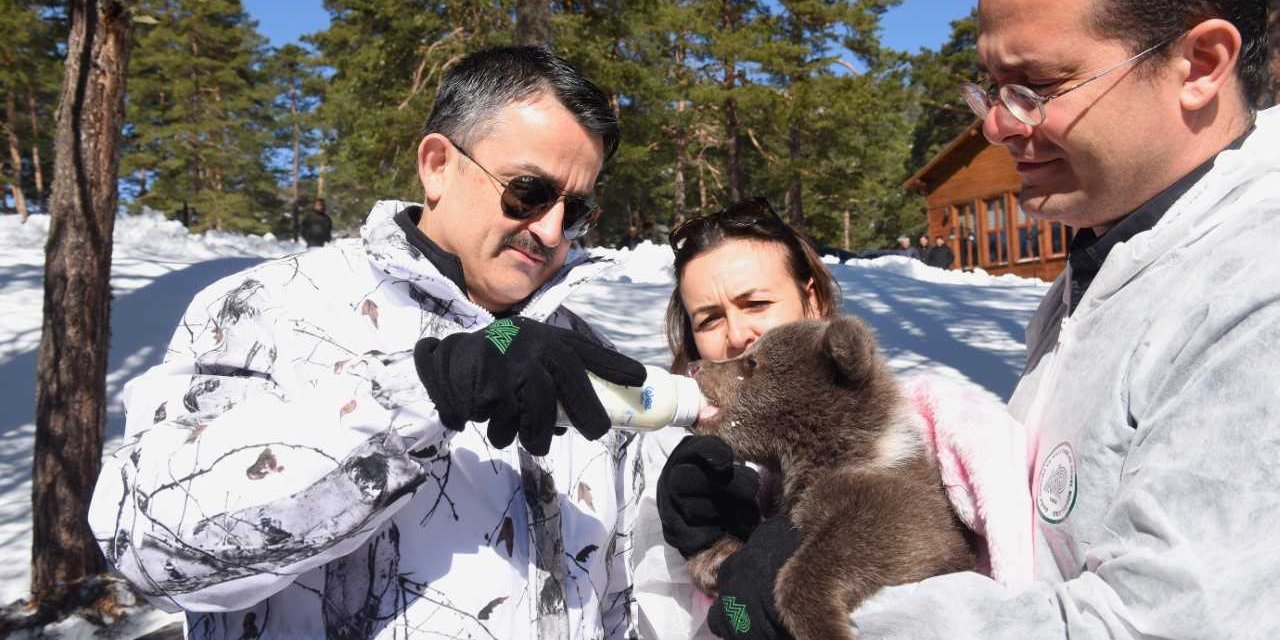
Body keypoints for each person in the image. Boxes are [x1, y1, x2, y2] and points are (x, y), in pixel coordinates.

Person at [662, 1, 1280, 638]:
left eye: (1036, 87)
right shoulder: (1107, 269)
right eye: (988, 90)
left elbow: (1152, 625)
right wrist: (742, 538)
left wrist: (816, 600)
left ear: (1200, 65)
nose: (995, 126)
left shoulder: (1254, 295)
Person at [88, 46, 668, 639]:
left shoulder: (580, 352)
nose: (550, 230)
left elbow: (623, 597)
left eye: (575, 211)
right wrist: (418, 395)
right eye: (528, 192)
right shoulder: (271, 309)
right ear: (438, 164)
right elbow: (146, 542)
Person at [630, 197, 841, 638]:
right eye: (709, 319)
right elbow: (700, 624)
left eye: (757, 303)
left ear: (814, 301)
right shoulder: (676, 460)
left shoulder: (923, 420)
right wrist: (708, 552)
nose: (738, 335)